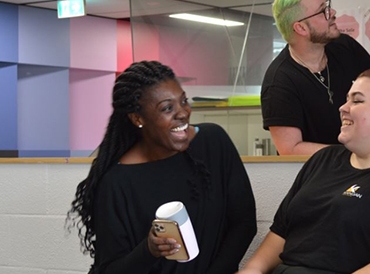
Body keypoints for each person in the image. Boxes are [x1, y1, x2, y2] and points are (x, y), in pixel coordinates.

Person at [240, 69, 370, 274]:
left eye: (357, 101)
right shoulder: (323, 160)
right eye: (346, 99)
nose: (343, 108)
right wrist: (252, 270)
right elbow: (281, 232)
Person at [66, 60, 257, 274]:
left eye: (183, 101)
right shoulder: (116, 182)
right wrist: (148, 250)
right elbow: (110, 269)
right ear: (138, 118)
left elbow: (244, 224)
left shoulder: (213, 142)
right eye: (167, 108)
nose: (183, 113)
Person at [262, 0, 370, 155]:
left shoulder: (344, 46)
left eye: (327, 6)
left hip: (363, 163)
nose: (333, 13)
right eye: (323, 11)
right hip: (317, 175)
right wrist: (353, 155)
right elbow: (290, 149)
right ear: (301, 28)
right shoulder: (279, 82)